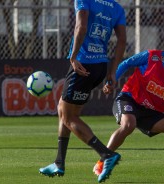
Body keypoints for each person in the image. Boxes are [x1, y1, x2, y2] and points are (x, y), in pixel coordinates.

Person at [39, 0, 126, 183]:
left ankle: (106, 154)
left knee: (68, 116)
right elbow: (122, 40)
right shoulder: (116, 7)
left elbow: (81, 24)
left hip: (83, 63)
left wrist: (73, 56)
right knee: (65, 110)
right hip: (100, 65)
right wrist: (112, 71)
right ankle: (59, 162)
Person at [93, 34, 164, 181]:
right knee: (129, 124)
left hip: (149, 111)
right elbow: (126, 63)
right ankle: (102, 162)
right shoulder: (151, 56)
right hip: (128, 99)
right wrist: (111, 81)